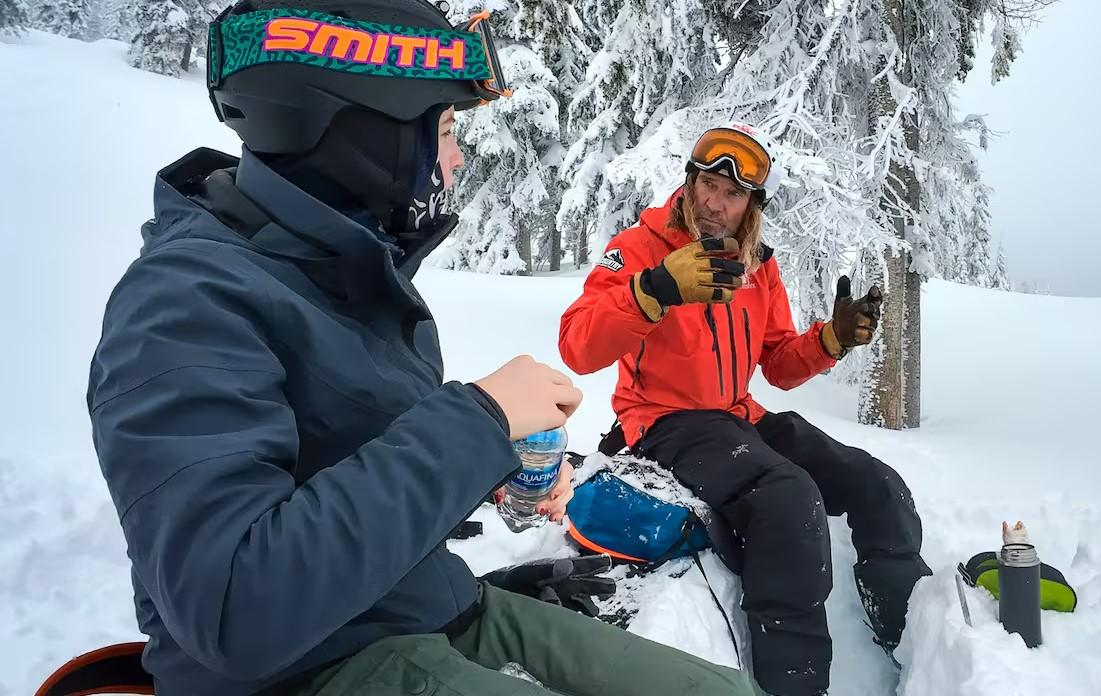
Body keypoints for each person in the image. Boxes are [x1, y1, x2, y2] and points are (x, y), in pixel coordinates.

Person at [85, 1, 754, 694]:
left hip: (422, 608)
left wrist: (493, 467)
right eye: (444, 130)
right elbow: (233, 608)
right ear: (365, 137)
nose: (457, 160)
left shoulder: (340, 272)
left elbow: (346, 459)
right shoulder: (182, 306)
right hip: (304, 671)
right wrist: (478, 423)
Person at [558, 124, 934, 696]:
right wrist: (655, 290)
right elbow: (577, 346)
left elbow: (779, 362)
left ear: (751, 205)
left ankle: (911, 634)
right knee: (788, 497)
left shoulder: (757, 266)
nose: (715, 203)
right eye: (708, 185)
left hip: (739, 417)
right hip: (663, 422)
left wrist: (831, 339)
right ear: (689, 183)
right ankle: (794, 685)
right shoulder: (638, 250)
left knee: (875, 482)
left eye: (732, 194)